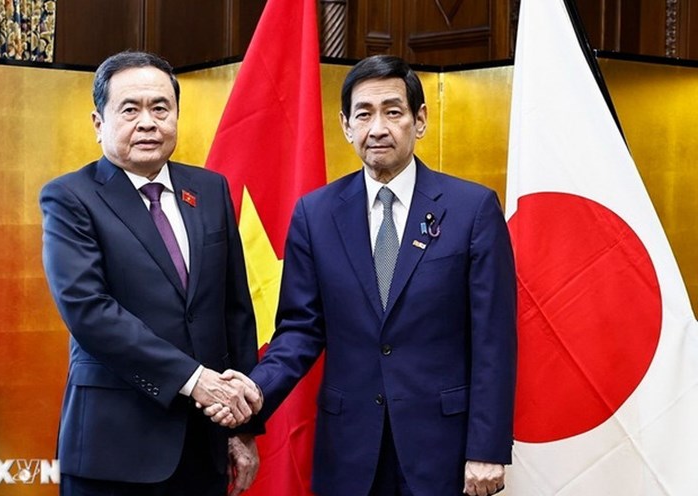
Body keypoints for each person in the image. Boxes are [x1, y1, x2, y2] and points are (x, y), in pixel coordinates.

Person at [209, 55, 518, 496]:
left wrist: (487, 448)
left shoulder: (473, 209)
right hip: (349, 452)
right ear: (345, 125)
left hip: (443, 451)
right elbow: (299, 330)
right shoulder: (316, 215)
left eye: (393, 111)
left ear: (421, 119)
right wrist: (254, 392)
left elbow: (494, 340)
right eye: (364, 114)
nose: (377, 128)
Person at [40, 51, 262, 496]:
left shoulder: (210, 189)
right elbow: (90, 312)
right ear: (98, 122)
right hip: (115, 449)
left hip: (204, 446)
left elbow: (234, 309)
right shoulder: (70, 198)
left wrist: (244, 428)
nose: (148, 122)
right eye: (130, 109)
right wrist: (196, 380)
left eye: (161, 108)